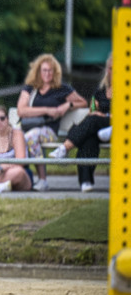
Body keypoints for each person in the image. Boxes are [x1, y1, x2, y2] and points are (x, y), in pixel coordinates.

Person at [17, 54, 86, 191]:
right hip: (27, 127)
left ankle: (43, 180)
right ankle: (14, 178)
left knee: (31, 137)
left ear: (55, 72)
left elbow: (83, 102)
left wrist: (67, 105)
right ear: (38, 71)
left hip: (49, 130)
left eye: (50, 70)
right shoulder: (31, 88)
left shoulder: (61, 88)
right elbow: (21, 110)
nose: (47, 73)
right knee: (17, 137)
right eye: (44, 70)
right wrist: (48, 110)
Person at [49, 54, 113, 192]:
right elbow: (93, 109)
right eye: (110, 68)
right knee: (88, 137)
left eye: (115, 69)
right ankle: (86, 181)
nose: (111, 72)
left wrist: (104, 115)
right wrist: (95, 112)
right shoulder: (101, 90)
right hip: (100, 127)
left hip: (120, 126)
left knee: (93, 121)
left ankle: (65, 148)